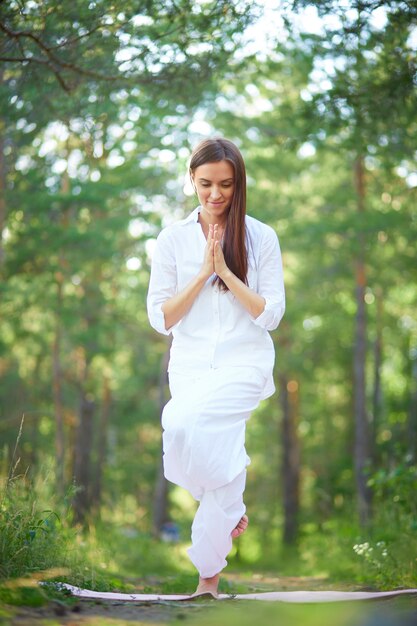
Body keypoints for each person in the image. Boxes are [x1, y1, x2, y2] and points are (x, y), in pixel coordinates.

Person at [147, 137, 285, 598]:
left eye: (225, 184)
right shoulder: (171, 239)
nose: (215, 194)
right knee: (192, 442)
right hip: (190, 368)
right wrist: (202, 273)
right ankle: (218, 540)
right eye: (205, 183)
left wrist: (225, 272)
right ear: (191, 180)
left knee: (180, 421)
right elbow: (161, 317)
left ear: (238, 183)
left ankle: (211, 559)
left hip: (245, 366)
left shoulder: (261, 237)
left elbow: (270, 314)